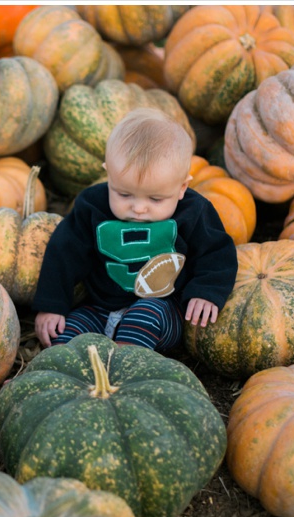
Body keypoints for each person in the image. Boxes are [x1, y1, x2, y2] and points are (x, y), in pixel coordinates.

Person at [33, 107, 237, 351]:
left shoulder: (195, 213)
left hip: (162, 311)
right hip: (102, 308)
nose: (139, 208)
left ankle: (125, 371)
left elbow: (216, 253)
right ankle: (52, 377)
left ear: (182, 188)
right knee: (70, 330)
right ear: (109, 176)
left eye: (155, 199)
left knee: (145, 315)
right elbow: (64, 252)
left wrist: (206, 292)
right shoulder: (91, 207)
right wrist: (52, 305)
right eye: (124, 194)